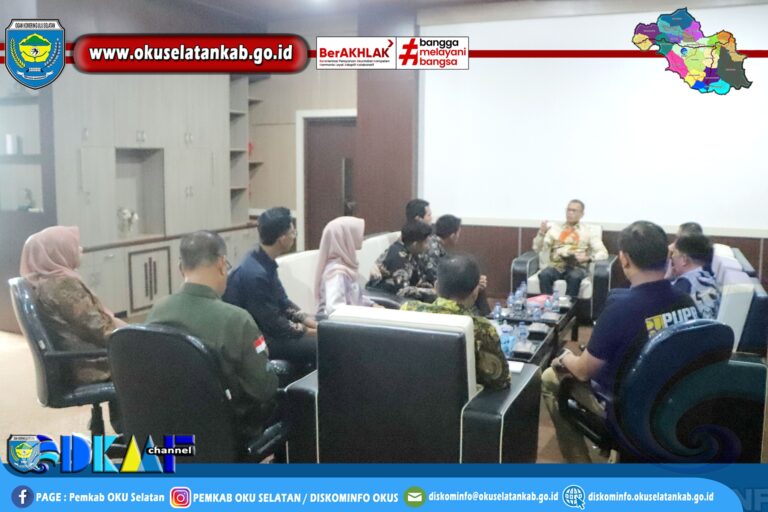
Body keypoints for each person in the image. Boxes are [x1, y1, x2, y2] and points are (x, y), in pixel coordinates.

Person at [541, 220, 699, 463]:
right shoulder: (686, 302)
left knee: (550, 377)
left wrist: (564, 357)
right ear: (667, 257)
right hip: (673, 404)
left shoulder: (620, 310)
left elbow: (583, 371)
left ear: (624, 259)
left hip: (626, 409)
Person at [147, 231, 278, 438]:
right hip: (225, 431)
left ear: (181, 268)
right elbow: (263, 388)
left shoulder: (158, 311)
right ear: (221, 264)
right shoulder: (237, 320)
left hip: (170, 427)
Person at [19, 225, 126, 431]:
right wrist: (137, 338)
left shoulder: (47, 281)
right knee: (153, 362)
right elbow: (100, 330)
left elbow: (99, 322)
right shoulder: (61, 285)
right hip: (90, 365)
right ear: (57, 252)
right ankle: (135, 430)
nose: (80, 249)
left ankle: (128, 428)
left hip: (75, 359)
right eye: (75, 246)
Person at [223, 207, 317, 363]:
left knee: (323, 321)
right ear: (282, 239)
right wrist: (315, 332)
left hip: (272, 328)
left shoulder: (263, 259)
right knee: (322, 345)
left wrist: (312, 323)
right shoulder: (255, 275)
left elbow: (283, 302)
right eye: (293, 232)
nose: (294, 236)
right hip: (260, 341)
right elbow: (275, 325)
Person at [401, 255, 510, 390]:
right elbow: (500, 379)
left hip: (412, 391)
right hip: (464, 399)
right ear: (475, 292)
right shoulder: (481, 328)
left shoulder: (409, 310)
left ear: (436, 287)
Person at [534, 199, 608, 298]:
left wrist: (588, 258)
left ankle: (569, 305)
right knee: (544, 275)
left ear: (582, 214)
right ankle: (548, 304)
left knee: (574, 276)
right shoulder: (555, 229)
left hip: (577, 267)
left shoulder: (588, 231)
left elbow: (603, 252)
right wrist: (541, 233)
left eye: (574, 211)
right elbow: (537, 248)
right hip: (556, 266)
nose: (570, 213)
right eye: (568, 210)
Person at [422, 214, 490, 316]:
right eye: (458, 234)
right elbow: (440, 279)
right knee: (475, 287)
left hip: (442, 285)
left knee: (476, 283)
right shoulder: (433, 250)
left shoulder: (435, 243)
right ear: (453, 236)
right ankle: (485, 317)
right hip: (434, 288)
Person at [315, 216, 376, 316]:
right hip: (345, 323)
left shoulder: (344, 267)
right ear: (346, 238)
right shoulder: (335, 273)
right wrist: (366, 313)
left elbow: (353, 296)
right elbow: (335, 309)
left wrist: (371, 305)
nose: (362, 238)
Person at [368, 221, 437, 302]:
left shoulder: (412, 251)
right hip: (388, 300)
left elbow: (426, 273)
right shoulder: (399, 259)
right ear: (415, 244)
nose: (428, 246)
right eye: (426, 242)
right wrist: (432, 292)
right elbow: (402, 291)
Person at [669, 234, 720, 319]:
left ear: (684, 259)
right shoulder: (709, 278)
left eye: (674, 253)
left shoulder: (684, 285)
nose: (672, 257)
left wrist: (664, 279)